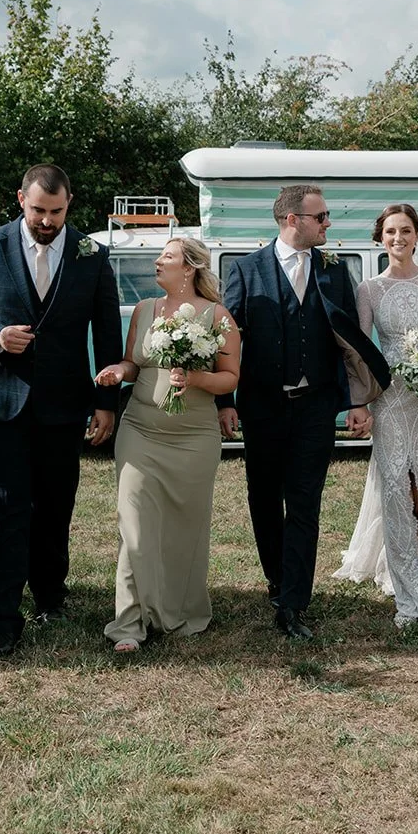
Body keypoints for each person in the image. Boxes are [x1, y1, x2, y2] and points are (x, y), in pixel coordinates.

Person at [0, 165, 123, 658]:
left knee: (55, 508)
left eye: (56, 211)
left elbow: (108, 332)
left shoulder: (93, 254)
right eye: (38, 211)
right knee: (5, 511)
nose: (47, 221)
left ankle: (51, 596)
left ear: (69, 204)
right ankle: (2, 619)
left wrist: (106, 402)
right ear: (20, 200)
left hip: (63, 405)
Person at [218, 184, 390, 640]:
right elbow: (227, 341)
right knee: (263, 499)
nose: (328, 223)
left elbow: (348, 343)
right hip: (262, 407)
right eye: (322, 216)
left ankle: (294, 602)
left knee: (306, 505)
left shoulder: (334, 273)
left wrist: (357, 400)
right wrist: (224, 402)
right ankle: (277, 579)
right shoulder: (246, 270)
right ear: (292, 220)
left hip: (315, 407)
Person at [93, 238, 239, 653]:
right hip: (139, 430)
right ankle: (128, 623)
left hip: (193, 438)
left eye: (167, 257)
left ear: (189, 267)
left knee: (182, 528)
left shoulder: (218, 316)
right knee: (134, 524)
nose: (158, 262)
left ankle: (176, 608)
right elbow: (133, 362)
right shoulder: (143, 310)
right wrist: (115, 372)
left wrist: (195, 379)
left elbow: (230, 377)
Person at [333, 204, 418, 627]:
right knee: (394, 482)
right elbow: (359, 351)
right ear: (381, 237)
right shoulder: (370, 289)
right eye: (391, 231)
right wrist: (361, 401)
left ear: (417, 235)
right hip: (390, 397)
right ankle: (407, 586)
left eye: (406, 230)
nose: (399, 238)